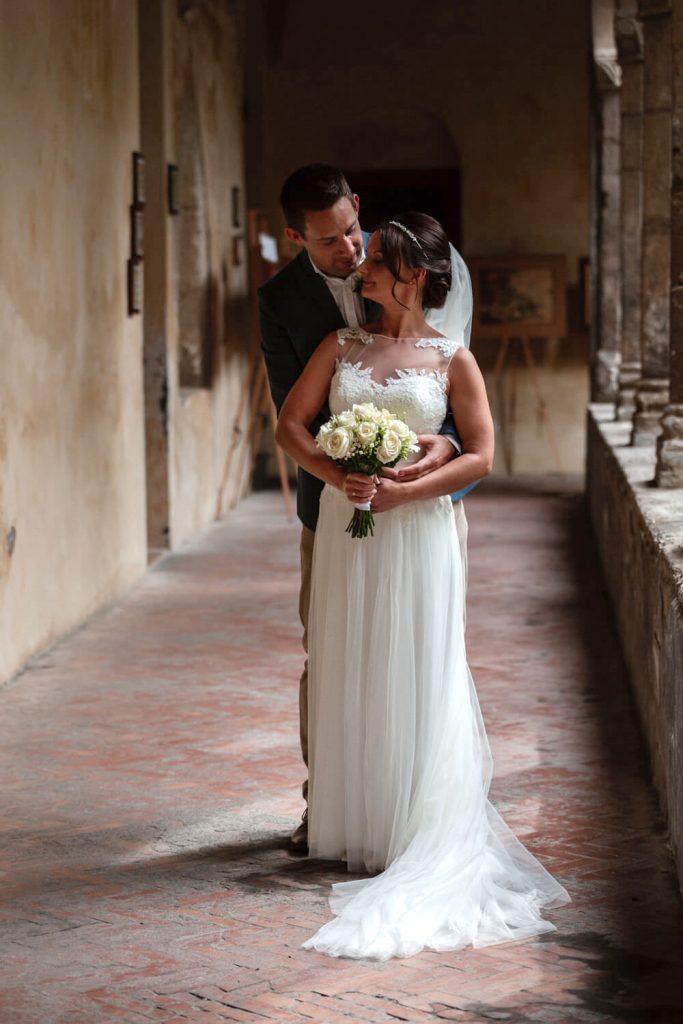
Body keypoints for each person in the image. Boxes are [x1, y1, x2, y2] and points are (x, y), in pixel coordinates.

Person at [275, 212, 570, 959]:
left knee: (417, 664)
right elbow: (290, 426)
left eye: (376, 258)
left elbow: (480, 456)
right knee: (352, 660)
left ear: (412, 274)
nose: (362, 267)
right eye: (365, 255)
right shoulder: (339, 344)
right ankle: (357, 823)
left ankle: (410, 826)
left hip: (418, 530)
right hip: (350, 528)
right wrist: (336, 473)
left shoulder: (451, 359)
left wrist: (411, 491)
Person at [259, 165, 470, 851]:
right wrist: (334, 477)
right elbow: (294, 413)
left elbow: (458, 412)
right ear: (295, 236)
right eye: (329, 244)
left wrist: (435, 458)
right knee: (331, 653)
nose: (351, 254)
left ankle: (415, 806)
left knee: (423, 651)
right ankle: (332, 807)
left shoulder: (405, 257)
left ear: (358, 207)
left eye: (353, 232)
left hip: (422, 509)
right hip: (336, 511)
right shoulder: (282, 303)